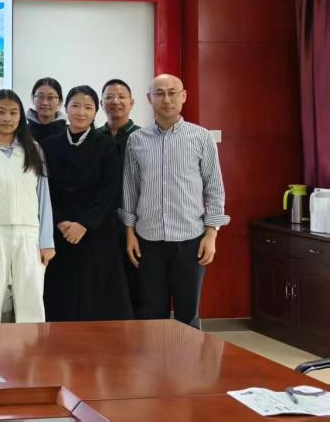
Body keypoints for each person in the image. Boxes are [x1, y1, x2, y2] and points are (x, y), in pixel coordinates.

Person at [121, 74, 229, 329]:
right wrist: (130, 233)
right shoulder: (136, 140)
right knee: (151, 312)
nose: (166, 99)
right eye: (159, 93)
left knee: (187, 313)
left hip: (191, 239)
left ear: (183, 96)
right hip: (148, 239)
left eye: (172, 92)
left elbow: (214, 188)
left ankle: (188, 357)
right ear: (149, 98)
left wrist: (211, 234)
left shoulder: (202, 137)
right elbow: (130, 189)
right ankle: (154, 357)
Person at [41, 86, 132, 322]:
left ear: (96, 111)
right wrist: (60, 220)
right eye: (75, 106)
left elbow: (110, 190)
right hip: (59, 232)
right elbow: (44, 189)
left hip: (96, 231)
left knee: (97, 296)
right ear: (65, 108)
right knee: (61, 296)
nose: (81, 112)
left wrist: (84, 224)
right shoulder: (49, 145)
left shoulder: (106, 145)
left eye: (88, 107)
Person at [0, 90, 54, 324]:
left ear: (20, 117)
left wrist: (46, 242)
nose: (7, 118)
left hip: (30, 234)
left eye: (13, 112)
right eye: (1, 111)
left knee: (31, 301)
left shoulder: (34, 150)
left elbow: (43, 198)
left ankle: (32, 347)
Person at [97, 78, 141, 315]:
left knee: (135, 289)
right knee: (102, 288)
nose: (115, 101)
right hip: (99, 227)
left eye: (121, 97)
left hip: (136, 228)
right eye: (109, 97)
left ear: (132, 102)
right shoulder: (93, 137)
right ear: (101, 103)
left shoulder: (143, 138)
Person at [28, 77, 68, 142]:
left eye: (51, 98)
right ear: (32, 99)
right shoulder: (22, 132)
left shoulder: (68, 133)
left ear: (60, 101)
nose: (45, 103)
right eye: (40, 97)